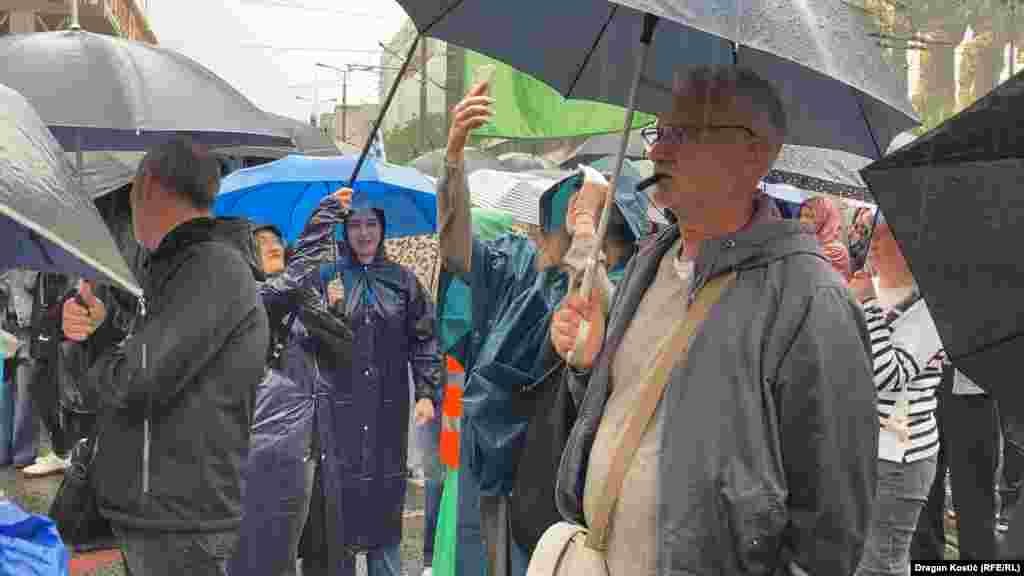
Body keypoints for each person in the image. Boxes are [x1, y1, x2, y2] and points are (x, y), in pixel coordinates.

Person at [549, 65, 878, 574]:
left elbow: (829, 534)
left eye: (685, 133)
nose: (657, 151)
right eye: (659, 132)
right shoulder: (647, 263)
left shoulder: (811, 301)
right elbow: (635, 423)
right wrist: (589, 367)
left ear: (756, 152)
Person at [437, 81, 641, 576]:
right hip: (496, 468)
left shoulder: (628, 290)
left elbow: (592, 301)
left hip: (561, 491)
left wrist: (587, 235)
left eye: (577, 210)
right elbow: (459, 252)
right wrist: (453, 159)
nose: (545, 229)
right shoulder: (523, 270)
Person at [62, 138, 270, 576]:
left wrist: (102, 357)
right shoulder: (178, 267)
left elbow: (139, 379)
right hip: (159, 515)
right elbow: (150, 365)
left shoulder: (212, 269)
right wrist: (100, 332)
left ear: (148, 185)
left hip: (181, 520)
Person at [290, 186, 440, 576]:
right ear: (344, 230)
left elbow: (424, 337)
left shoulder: (403, 281)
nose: (363, 232)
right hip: (338, 411)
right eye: (354, 224)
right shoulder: (326, 277)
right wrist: (330, 310)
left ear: (382, 228)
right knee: (336, 509)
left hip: (389, 409)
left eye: (370, 223)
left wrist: (426, 392)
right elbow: (301, 317)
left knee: (385, 505)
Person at [230, 220, 339, 576]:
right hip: (249, 452)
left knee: (284, 550)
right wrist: (322, 222)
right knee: (245, 549)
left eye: (277, 239)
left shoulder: (300, 299)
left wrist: (329, 313)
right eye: (262, 242)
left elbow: (342, 352)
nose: (273, 245)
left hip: (298, 450)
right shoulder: (244, 298)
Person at [848, 210, 944, 574]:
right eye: (874, 237)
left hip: (900, 458)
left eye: (884, 239)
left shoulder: (930, 308)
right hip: (866, 447)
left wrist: (867, 305)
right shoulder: (884, 293)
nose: (872, 246)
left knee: (881, 563)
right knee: (859, 556)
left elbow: (888, 375)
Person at [799, 195, 852, 282]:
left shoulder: (836, 250)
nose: (803, 220)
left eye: (809, 216)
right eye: (801, 215)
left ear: (824, 218)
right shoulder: (806, 242)